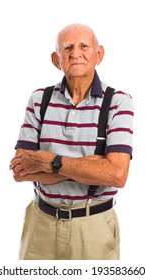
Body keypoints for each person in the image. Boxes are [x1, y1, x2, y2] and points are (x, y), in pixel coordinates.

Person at [9, 23, 134, 260]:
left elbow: (117, 174)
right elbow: (19, 171)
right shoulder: (39, 100)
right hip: (40, 224)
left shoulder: (118, 102)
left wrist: (48, 162)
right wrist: (91, 167)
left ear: (99, 54)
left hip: (93, 227)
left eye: (84, 46)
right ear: (56, 60)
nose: (75, 53)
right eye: (67, 48)